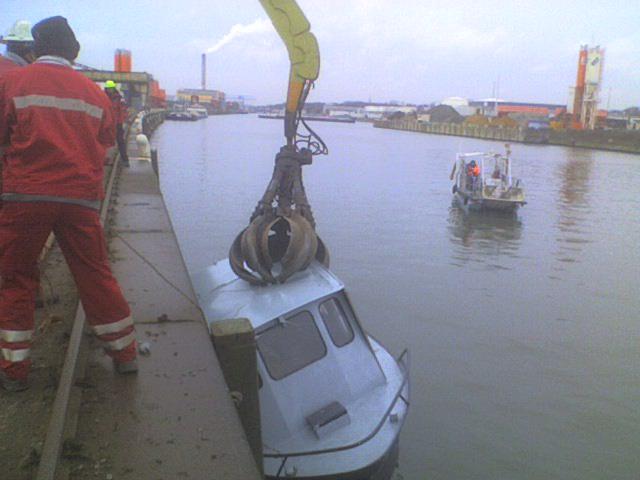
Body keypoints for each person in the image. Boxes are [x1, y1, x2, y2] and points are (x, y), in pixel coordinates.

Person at [0, 16, 137, 392]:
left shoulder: (14, 82)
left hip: (24, 198)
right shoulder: (95, 94)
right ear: (73, 52)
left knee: (16, 278)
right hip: (79, 198)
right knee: (95, 274)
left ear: (35, 48)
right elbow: (106, 145)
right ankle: (125, 353)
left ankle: (14, 370)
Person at [104, 80, 130, 167]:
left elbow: (122, 109)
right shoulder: (103, 96)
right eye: (108, 89)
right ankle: (105, 159)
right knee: (105, 141)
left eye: (111, 88)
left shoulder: (119, 98)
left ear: (113, 88)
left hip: (117, 123)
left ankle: (125, 160)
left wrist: (123, 120)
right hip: (107, 123)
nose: (109, 90)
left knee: (120, 141)